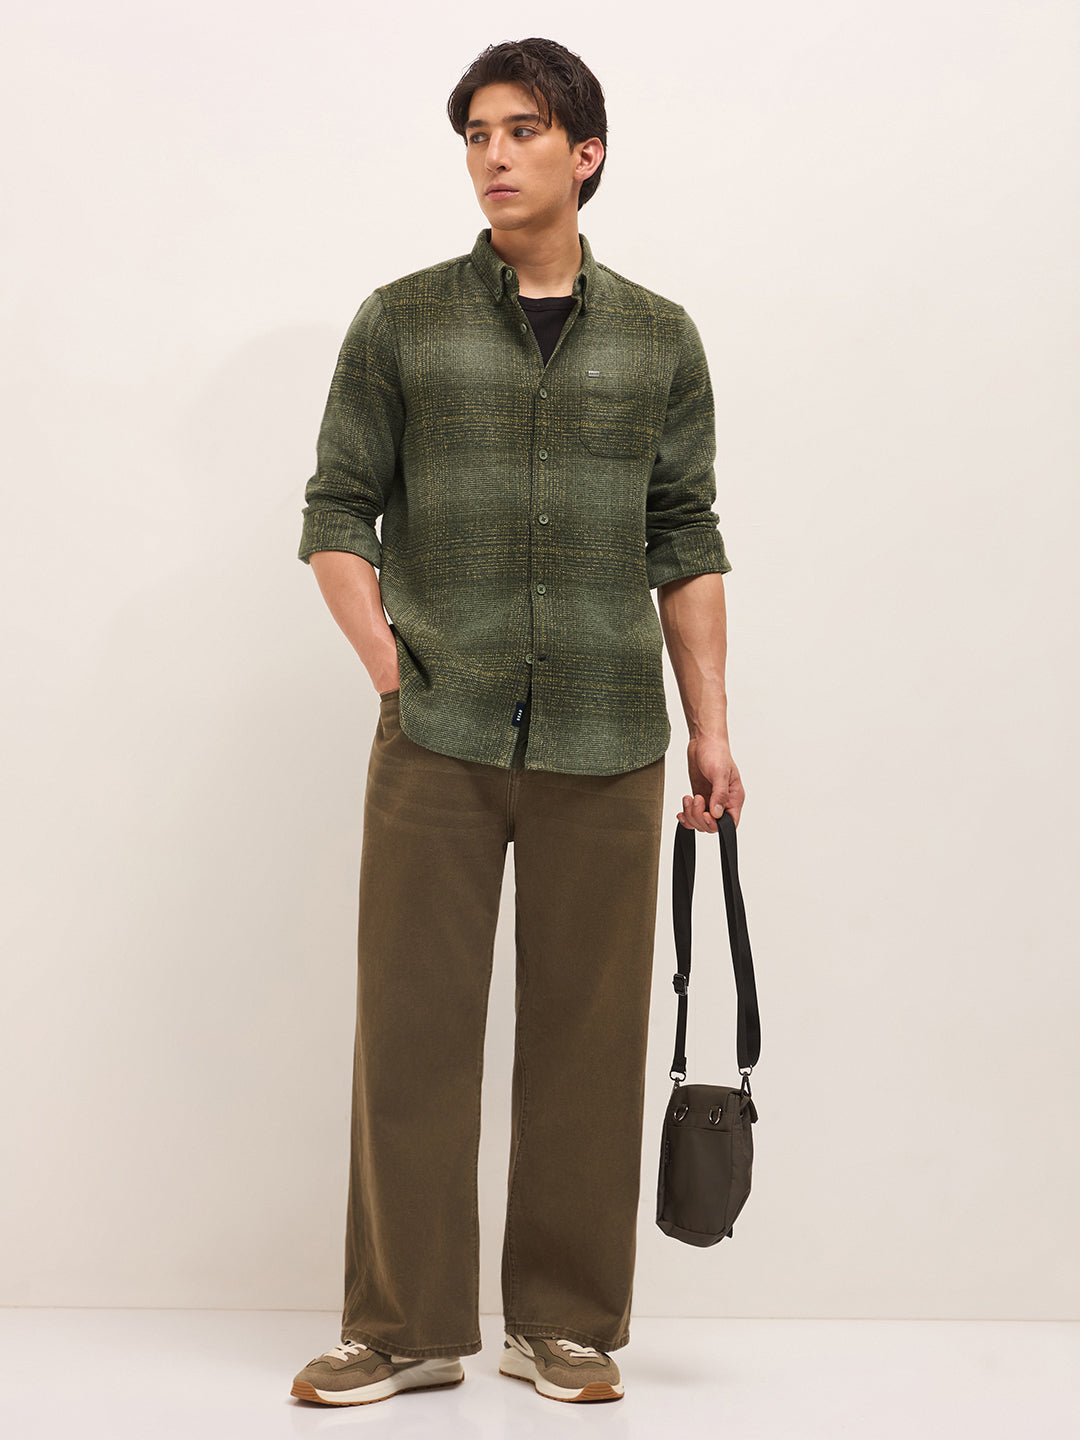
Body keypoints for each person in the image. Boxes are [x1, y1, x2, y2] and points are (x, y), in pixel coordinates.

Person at [289, 36, 744, 1408]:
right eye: (478, 134)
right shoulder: (402, 321)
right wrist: (392, 671)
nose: (494, 155)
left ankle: (564, 1324)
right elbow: (336, 511)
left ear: (583, 153)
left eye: (523, 130)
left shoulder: (659, 337)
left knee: (589, 1038)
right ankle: (403, 1327)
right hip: (439, 732)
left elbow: (686, 534)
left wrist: (711, 727)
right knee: (411, 1028)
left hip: (609, 732)